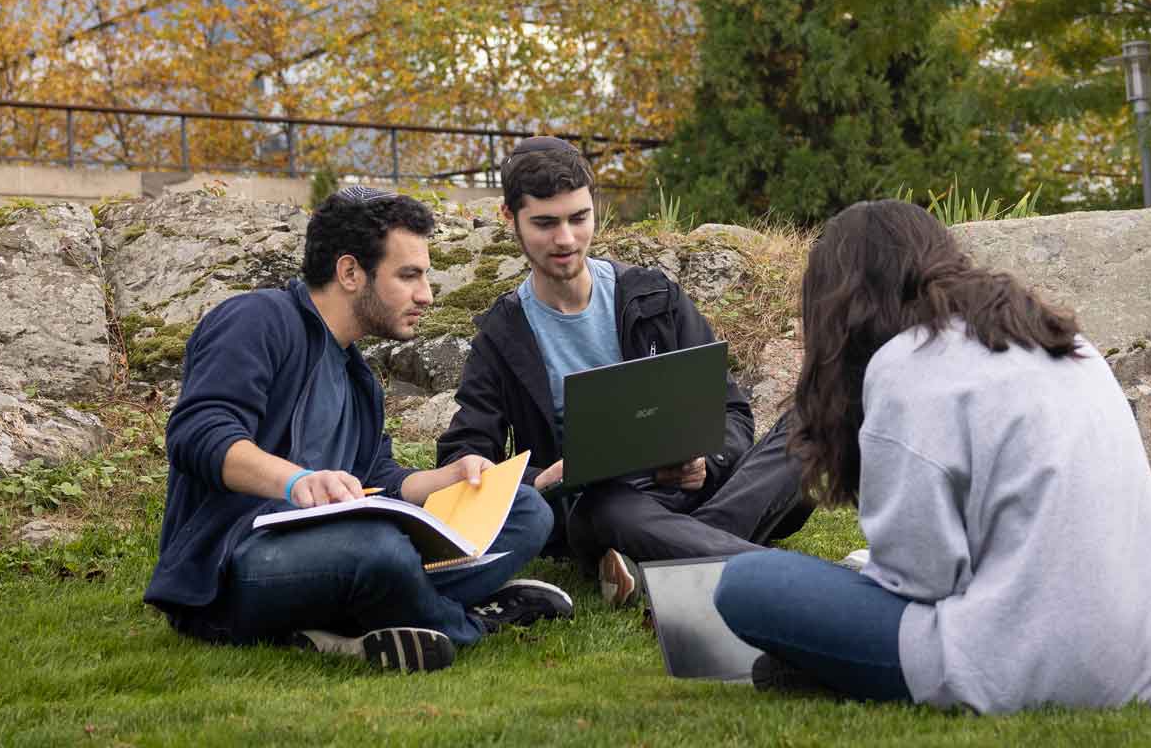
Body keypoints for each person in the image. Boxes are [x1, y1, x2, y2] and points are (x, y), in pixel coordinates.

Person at [713, 199, 1151, 710]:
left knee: (746, 584)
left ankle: (825, 668)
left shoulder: (906, 367)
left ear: (839, 299)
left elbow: (923, 581)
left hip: (1040, 664)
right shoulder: (1054, 338)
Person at [144, 189, 571, 672]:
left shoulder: (356, 376)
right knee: (380, 550)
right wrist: (296, 481)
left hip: (339, 551)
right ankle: (466, 621)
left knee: (526, 510)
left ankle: (363, 621)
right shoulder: (257, 320)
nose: (426, 294)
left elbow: (377, 477)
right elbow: (198, 433)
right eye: (409, 275)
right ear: (350, 273)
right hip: (235, 566)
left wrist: (449, 478)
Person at [439, 137, 811, 607]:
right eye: (546, 223)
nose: (567, 239)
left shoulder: (654, 296)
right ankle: (775, 573)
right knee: (604, 508)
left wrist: (706, 461)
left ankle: (670, 553)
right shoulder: (501, 333)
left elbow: (732, 412)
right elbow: (468, 456)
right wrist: (545, 478)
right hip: (608, 505)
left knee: (811, 423)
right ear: (509, 219)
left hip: (695, 487)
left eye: (579, 218)